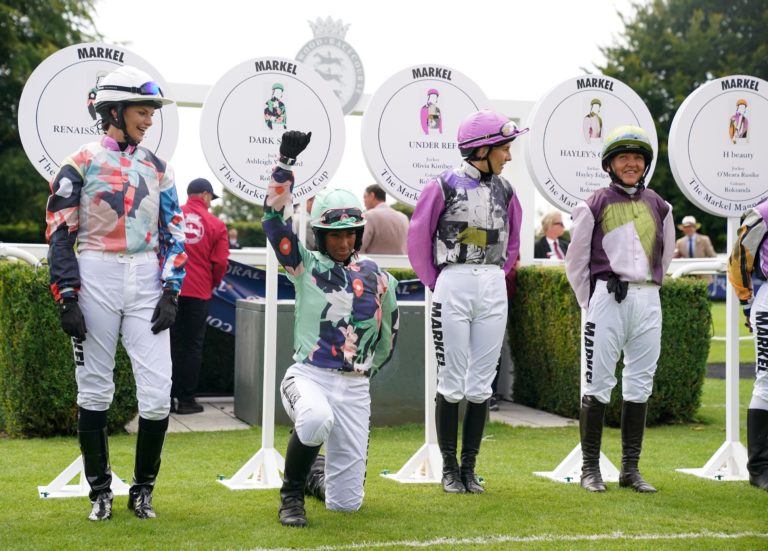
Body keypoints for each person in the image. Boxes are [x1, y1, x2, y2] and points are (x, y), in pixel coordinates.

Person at [45, 65, 186, 521]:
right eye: (142, 112)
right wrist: (67, 295)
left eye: (151, 113)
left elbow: (175, 232)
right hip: (95, 273)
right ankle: (100, 491)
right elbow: (59, 234)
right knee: (94, 389)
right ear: (114, 111)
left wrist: (171, 290)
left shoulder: (158, 169)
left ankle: (143, 490)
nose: (149, 120)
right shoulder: (79, 161)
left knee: (159, 392)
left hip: (146, 278)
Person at [262, 131, 400, 527]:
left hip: (356, 387)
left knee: (346, 504)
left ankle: (311, 475)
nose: (343, 241)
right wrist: (285, 163)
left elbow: (389, 331)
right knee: (315, 418)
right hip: (309, 376)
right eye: (335, 233)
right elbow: (272, 218)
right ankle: (290, 498)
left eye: (350, 232)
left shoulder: (379, 276)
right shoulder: (303, 265)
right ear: (320, 235)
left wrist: (368, 370)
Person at [408, 109, 526, 494]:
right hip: (452, 283)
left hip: (491, 285)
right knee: (451, 380)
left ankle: (469, 467)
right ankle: (448, 468)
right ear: (483, 148)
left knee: (481, 384)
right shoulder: (441, 186)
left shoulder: (507, 191)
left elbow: (513, 241)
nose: (508, 156)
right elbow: (417, 240)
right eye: (504, 149)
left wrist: (497, 273)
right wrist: (438, 281)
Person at [565, 125, 674, 494]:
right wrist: (592, 301)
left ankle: (630, 469)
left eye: (638, 158)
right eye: (624, 157)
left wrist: (648, 288)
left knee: (640, 384)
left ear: (645, 164)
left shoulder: (661, 205)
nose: (632, 164)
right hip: (607, 299)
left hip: (647, 300)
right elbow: (575, 261)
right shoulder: (593, 203)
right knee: (598, 384)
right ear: (609, 164)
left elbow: (666, 255)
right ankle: (590, 469)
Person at [170, 178, 229, 414]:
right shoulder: (216, 225)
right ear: (205, 195)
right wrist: (211, 284)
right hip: (199, 291)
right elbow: (220, 262)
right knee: (192, 346)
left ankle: (163, 399)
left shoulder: (173, 216)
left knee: (168, 344)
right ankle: (186, 401)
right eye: (210, 198)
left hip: (170, 290)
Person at [727, 203, 768, 492]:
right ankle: (760, 468)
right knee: (766, 381)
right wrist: (746, 301)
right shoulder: (764, 212)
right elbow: (739, 255)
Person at [359, 184, 409, 255]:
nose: (364, 201)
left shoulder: (369, 215)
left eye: (365, 197)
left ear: (372, 196)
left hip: (376, 264)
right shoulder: (403, 217)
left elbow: (361, 246)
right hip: (401, 265)